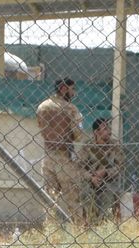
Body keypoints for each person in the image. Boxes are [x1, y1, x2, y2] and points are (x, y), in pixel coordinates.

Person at [35, 77, 86, 221]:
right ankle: (79, 230)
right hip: (65, 159)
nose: (74, 94)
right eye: (72, 89)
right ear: (64, 89)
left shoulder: (42, 107)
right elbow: (78, 135)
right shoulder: (70, 109)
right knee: (73, 200)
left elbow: (41, 128)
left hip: (48, 157)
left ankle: (50, 233)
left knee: (50, 200)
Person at [78, 118, 124, 223]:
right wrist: (91, 177)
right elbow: (79, 168)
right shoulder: (87, 146)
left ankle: (105, 222)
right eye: (105, 129)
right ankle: (92, 221)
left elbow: (120, 166)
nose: (109, 131)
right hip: (90, 182)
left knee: (109, 197)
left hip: (109, 181)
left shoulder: (114, 145)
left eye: (109, 128)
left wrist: (106, 172)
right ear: (96, 132)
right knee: (86, 194)